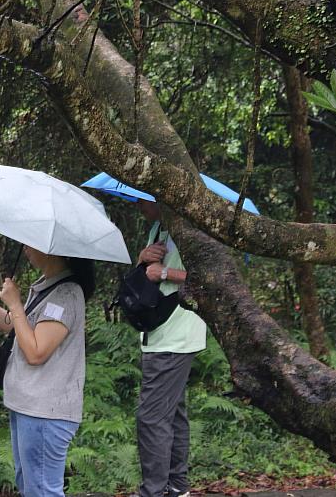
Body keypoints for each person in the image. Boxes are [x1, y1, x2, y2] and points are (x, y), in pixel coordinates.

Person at [0, 246, 95, 497]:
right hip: (27, 406)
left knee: (42, 491)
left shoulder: (66, 294)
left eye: (32, 242)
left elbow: (36, 352)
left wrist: (16, 304)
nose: (26, 247)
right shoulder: (47, 285)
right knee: (30, 487)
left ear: (54, 249)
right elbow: (19, 329)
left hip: (45, 412)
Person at [134, 199, 207, 497]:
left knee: (151, 416)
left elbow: (207, 279)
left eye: (143, 197)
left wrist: (163, 273)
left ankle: (153, 491)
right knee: (172, 413)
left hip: (177, 335)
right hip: (158, 333)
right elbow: (147, 274)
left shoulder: (191, 230)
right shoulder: (157, 227)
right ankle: (177, 486)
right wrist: (142, 259)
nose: (138, 204)